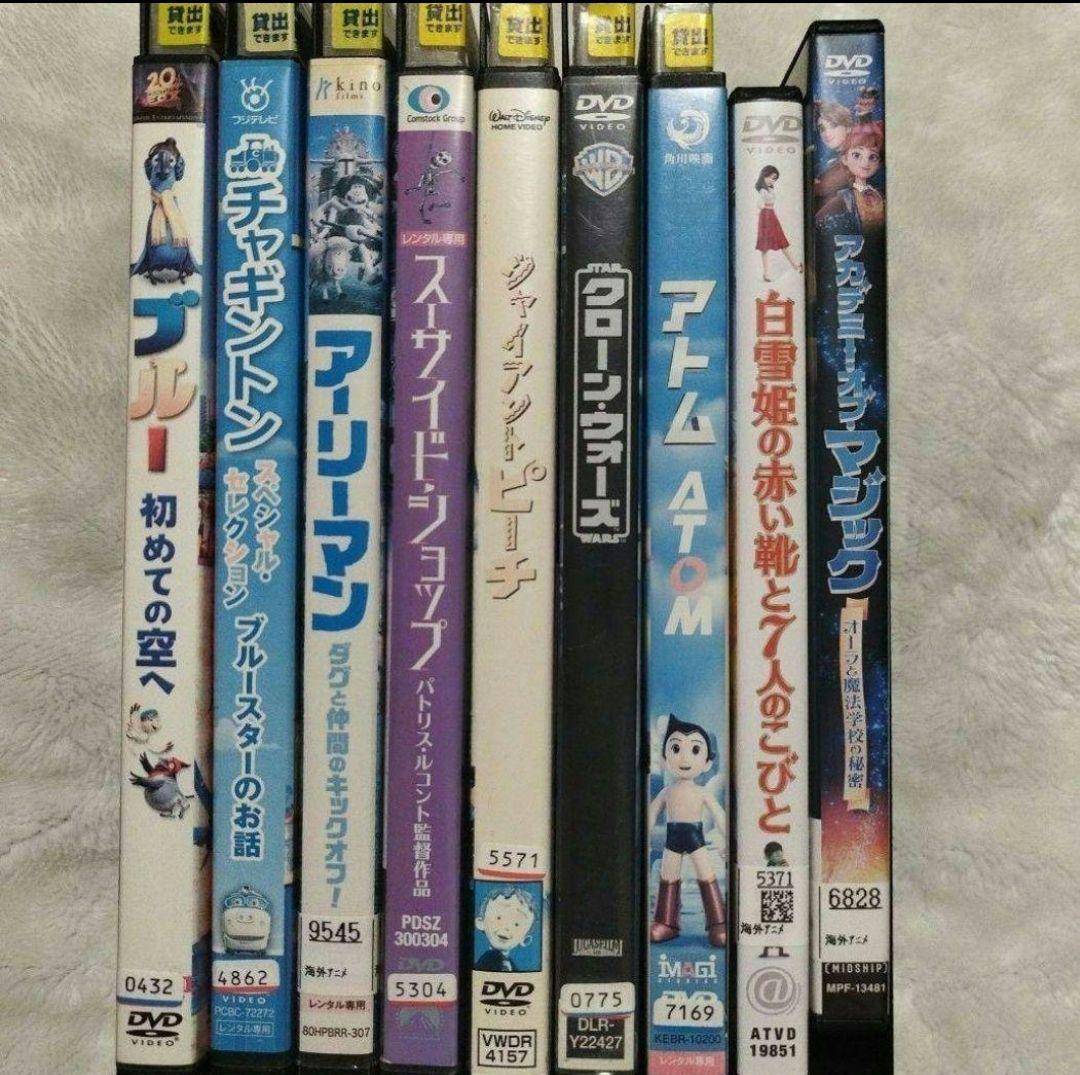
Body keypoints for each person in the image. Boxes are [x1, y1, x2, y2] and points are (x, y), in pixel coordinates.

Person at [648, 715, 727, 947]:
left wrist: (728, 840)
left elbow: (719, 816)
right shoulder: (666, 792)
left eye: (694, 750)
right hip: (673, 836)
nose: (684, 758)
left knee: (706, 876)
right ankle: (666, 923)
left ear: (707, 763)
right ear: (665, 758)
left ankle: (718, 923)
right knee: (668, 877)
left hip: (695, 836)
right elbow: (651, 814)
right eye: (676, 749)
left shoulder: (705, 791)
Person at [755, 166, 802, 282]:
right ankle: (766, 274)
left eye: (774, 179)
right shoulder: (763, 190)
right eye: (770, 177)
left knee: (782, 242)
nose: (772, 180)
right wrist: (764, 209)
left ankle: (796, 265)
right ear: (764, 176)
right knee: (765, 246)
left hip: (771, 215)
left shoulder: (769, 189)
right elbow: (759, 204)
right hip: (766, 216)